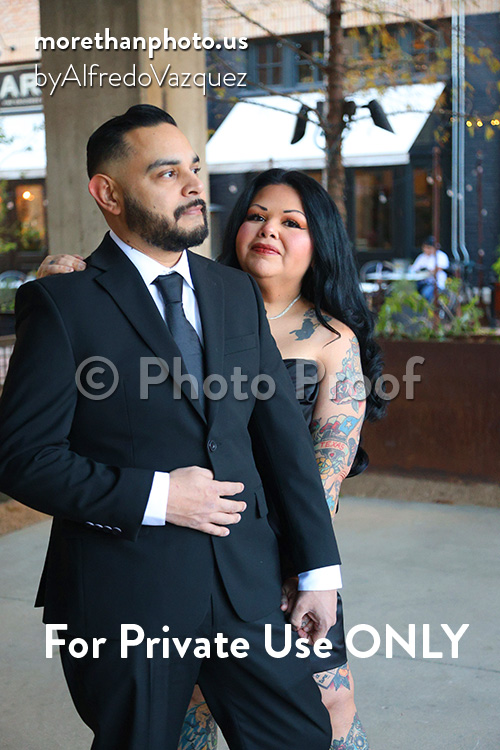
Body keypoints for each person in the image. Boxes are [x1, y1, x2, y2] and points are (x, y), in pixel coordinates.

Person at [0, 106, 344, 750]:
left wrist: (319, 571)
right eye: (166, 173)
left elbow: (283, 443)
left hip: (246, 589)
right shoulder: (61, 302)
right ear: (108, 193)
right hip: (126, 596)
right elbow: (23, 458)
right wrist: (160, 496)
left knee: (302, 736)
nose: (193, 186)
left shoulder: (234, 292)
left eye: (194, 168)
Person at [410, 236, 450, 302]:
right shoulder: (422, 256)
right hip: (422, 282)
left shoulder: (441, 256)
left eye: (428, 248)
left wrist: (429, 271)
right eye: (424, 247)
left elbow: (440, 268)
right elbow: (414, 268)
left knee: (426, 294)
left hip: (436, 283)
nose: (426, 250)